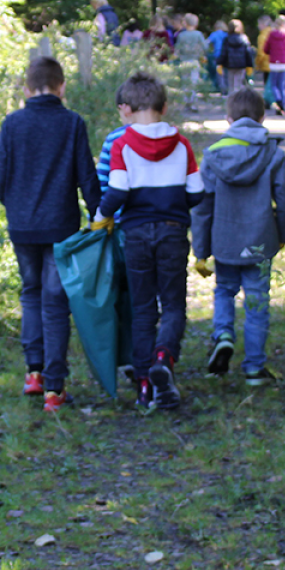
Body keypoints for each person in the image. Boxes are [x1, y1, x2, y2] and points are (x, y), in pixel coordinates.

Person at [0, 54, 100, 411]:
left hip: (22, 225)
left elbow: (0, 177)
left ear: (26, 88)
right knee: (55, 303)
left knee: (31, 293)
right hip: (61, 226)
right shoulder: (72, 123)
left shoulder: (12, 124)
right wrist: (99, 215)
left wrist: (15, 206)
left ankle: (33, 373)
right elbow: (87, 175)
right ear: (62, 87)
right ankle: (55, 389)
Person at [95, 72, 203, 411]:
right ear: (164, 106)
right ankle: (163, 358)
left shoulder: (122, 144)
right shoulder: (182, 143)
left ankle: (144, 385)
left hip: (137, 234)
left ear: (128, 108)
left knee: (142, 309)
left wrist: (100, 218)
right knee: (173, 305)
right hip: (172, 231)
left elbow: (117, 191)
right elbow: (197, 194)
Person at [192, 86, 285, 387]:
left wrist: (200, 251)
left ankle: (223, 335)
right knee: (257, 301)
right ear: (262, 118)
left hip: (224, 241)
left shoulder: (212, 157)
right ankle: (254, 368)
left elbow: (202, 207)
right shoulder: (273, 154)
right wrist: (281, 236)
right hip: (260, 241)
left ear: (229, 119)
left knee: (224, 290)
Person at [263, 14, 285, 109]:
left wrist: (271, 53)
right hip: (284, 62)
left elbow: (266, 49)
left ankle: (277, 99)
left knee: (273, 84)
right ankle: (282, 103)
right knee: (282, 84)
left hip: (274, 62)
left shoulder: (271, 34)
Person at [172, 14, 208, 96]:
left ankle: (185, 100)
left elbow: (177, 49)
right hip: (195, 61)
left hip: (184, 61)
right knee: (194, 82)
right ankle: (193, 102)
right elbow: (205, 47)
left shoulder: (181, 35)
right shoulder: (199, 34)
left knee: (184, 81)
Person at [217, 19, 255, 89]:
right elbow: (248, 53)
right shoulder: (244, 38)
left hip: (230, 65)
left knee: (231, 84)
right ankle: (238, 97)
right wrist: (250, 65)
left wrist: (219, 63)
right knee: (239, 83)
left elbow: (224, 53)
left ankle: (231, 97)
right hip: (241, 65)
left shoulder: (227, 39)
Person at [205, 20, 229, 93]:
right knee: (226, 72)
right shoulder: (227, 34)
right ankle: (228, 87)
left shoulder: (214, 34)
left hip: (217, 55)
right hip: (226, 56)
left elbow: (206, 43)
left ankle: (222, 88)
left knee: (219, 72)